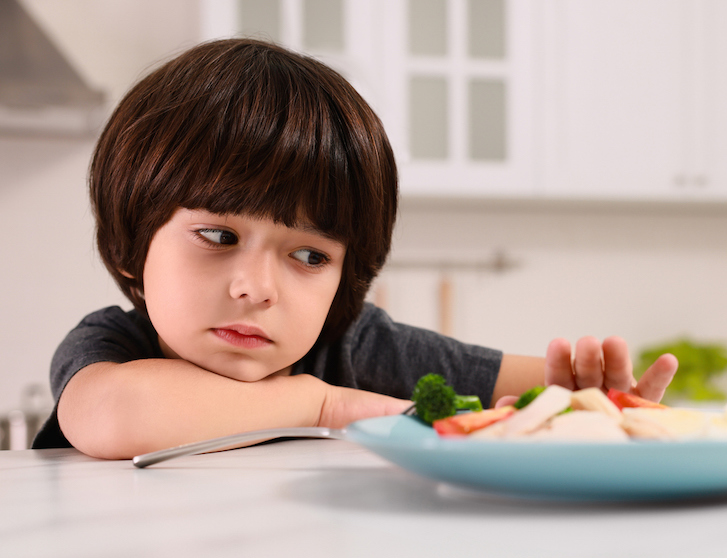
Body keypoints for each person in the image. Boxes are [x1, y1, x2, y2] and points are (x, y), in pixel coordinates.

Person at [32, 39, 677, 458]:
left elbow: (518, 385)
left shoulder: (352, 345)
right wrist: (324, 404)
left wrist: (588, 399)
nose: (257, 288)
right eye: (219, 236)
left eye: (309, 256)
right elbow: (111, 415)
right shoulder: (113, 348)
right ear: (129, 247)